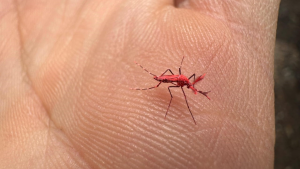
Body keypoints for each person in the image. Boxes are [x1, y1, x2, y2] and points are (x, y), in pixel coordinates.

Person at [0, 0, 279, 168]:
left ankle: (159, 84)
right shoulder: (181, 83)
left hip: (177, 78)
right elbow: (182, 81)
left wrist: (193, 87)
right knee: (172, 86)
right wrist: (175, 86)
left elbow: (187, 80)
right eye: (193, 86)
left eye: (193, 86)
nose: (191, 86)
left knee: (179, 81)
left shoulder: (186, 81)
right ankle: (152, 85)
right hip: (172, 80)